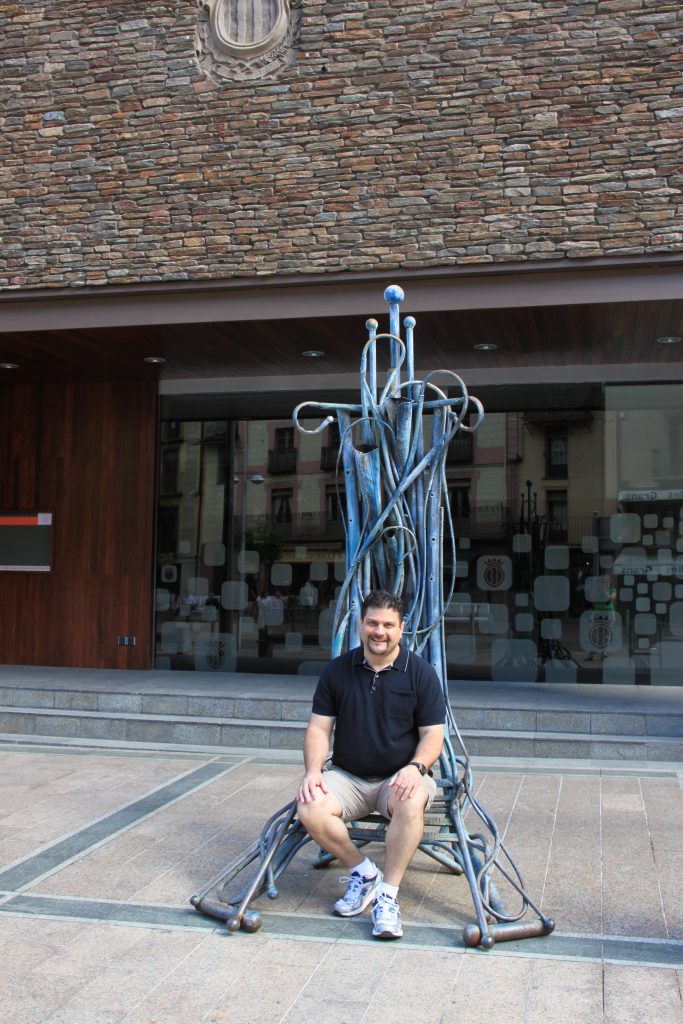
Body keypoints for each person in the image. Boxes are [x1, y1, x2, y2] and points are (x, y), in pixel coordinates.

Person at [296, 589, 446, 940]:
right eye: (372, 623)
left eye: (388, 625)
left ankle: (388, 896)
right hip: (348, 777)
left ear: (402, 628)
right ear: (361, 625)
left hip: (399, 777)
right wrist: (313, 771)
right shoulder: (337, 671)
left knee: (411, 800)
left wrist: (417, 768)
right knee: (310, 806)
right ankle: (364, 873)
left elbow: (433, 735)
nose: (380, 631)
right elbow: (319, 729)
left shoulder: (421, 673)